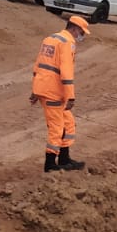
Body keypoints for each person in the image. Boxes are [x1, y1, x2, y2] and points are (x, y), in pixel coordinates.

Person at [31, 14, 90, 171]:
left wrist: (35, 90)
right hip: (53, 92)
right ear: (75, 28)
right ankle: (50, 164)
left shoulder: (50, 39)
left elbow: (38, 65)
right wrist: (71, 96)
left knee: (68, 123)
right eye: (81, 32)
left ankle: (64, 159)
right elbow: (66, 72)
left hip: (45, 88)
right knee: (57, 128)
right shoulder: (67, 43)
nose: (81, 36)